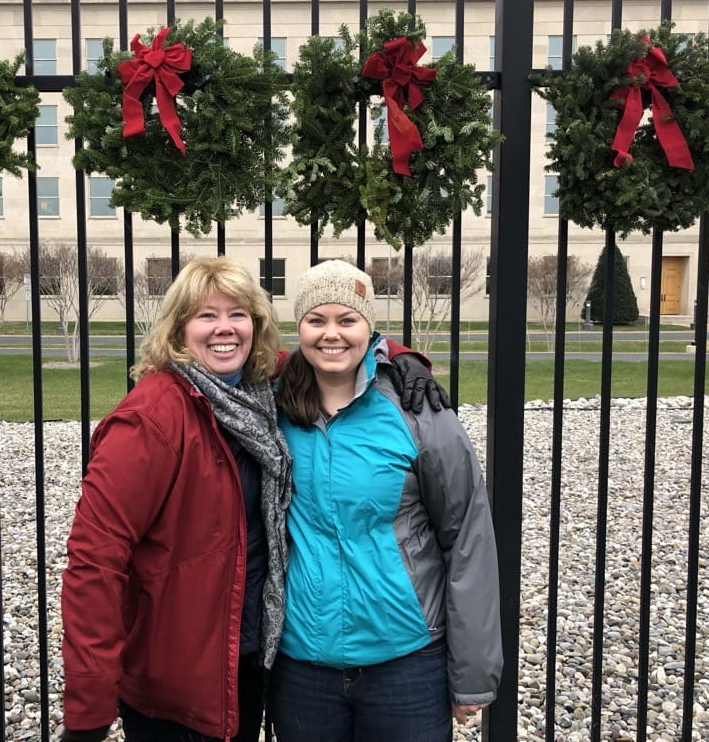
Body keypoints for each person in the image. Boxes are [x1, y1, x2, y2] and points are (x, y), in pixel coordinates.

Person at [60, 256, 447, 742]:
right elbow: (95, 562)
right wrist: (88, 709)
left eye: (238, 314)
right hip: (178, 682)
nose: (224, 328)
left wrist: (398, 357)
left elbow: (335, 341)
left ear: (256, 326)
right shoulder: (150, 420)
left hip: (244, 661)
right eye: (206, 315)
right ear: (179, 329)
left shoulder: (256, 393)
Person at [268, 259, 502, 742]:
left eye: (347, 319)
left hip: (406, 663)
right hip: (303, 666)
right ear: (300, 328)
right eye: (316, 320)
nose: (331, 334)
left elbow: (467, 540)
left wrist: (472, 671)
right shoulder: (273, 407)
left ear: (369, 325)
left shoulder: (418, 410)